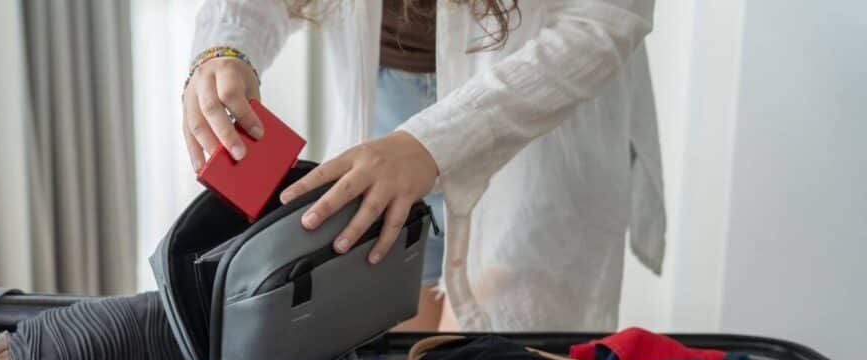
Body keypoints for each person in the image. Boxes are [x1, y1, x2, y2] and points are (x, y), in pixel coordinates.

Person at [183, 0, 665, 332]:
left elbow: (605, 18)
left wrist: (433, 142)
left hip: (535, 126)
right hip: (383, 107)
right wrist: (224, 49)